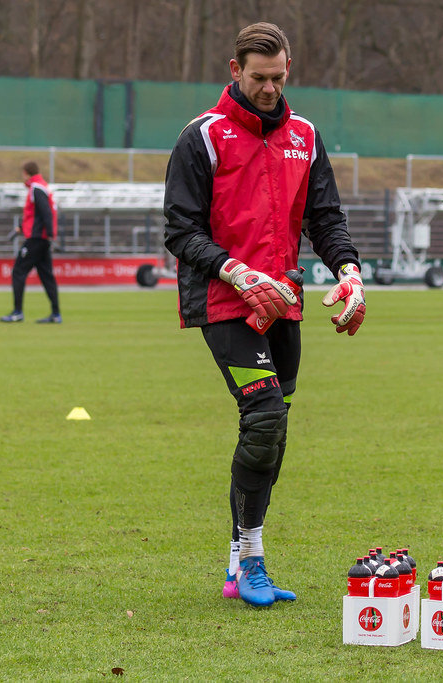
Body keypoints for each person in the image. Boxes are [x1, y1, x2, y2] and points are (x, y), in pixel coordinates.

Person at [163, 22, 366, 608]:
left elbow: (325, 218)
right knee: (265, 417)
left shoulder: (305, 135)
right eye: (258, 78)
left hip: (285, 303)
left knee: (272, 435)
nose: (270, 89)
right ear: (235, 71)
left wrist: (349, 272)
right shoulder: (202, 136)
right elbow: (180, 229)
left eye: (279, 78)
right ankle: (251, 560)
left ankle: (238, 565)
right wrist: (237, 272)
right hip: (225, 301)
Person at [0, 161, 61, 323]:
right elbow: (37, 214)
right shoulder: (43, 186)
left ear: (26, 173)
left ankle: (17, 312)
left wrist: (50, 234)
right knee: (47, 276)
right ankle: (56, 314)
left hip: (36, 239)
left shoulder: (36, 188)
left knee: (18, 271)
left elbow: (45, 212)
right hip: (41, 238)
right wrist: (21, 227)